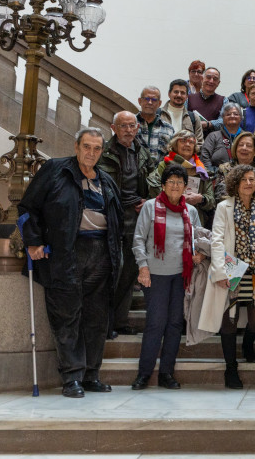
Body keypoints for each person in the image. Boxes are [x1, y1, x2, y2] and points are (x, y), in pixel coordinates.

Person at [18, 128, 124, 398]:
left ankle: (91, 375)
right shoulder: (56, 170)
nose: (91, 153)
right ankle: (71, 378)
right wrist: (33, 241)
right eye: (87, 147)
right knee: (67, 316)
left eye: (97, 148)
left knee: (96, 318)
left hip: (101, 253)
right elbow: (28, 207)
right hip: (67, 252)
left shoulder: (107, 181)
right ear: (76, 147)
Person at [131, 164, 204, 391]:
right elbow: (138, 239)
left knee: (174, 324)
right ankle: (144, 374)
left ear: (185, 187)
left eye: (179, 183)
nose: (175, 186)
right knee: (155, 323)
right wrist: (143, 267)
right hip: (155, 276)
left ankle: (166, 374)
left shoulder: (190, 212)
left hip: (181, 276)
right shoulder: (151, 207)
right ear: (162, 185)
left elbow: (200, 239)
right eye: (170, 182)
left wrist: (200, 253)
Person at [201, 165, 255, 389]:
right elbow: (217, 240)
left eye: (252, 179)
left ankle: (248, 345)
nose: (249, 183)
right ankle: (231, 369)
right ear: (235, 183)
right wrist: (220, 271)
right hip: (231, 268)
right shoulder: (224, 207)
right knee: (229, 322)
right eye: (244, 180)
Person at [98, 111, 154, 340]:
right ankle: (104, 322)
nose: (129, 130)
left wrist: (148, 200)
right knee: (114, 269)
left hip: (137, 215)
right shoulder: (104, 152)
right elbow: (101, 184)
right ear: (113, 127)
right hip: (113, 214)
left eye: (132, 125)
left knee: (131, 270)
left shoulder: (142, 152)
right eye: (124, 126)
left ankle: (120, 321)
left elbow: (153, 179)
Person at [148, 130, 216, 227]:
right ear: (175, 144)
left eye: (191, 142)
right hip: (166, 216)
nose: (187, 144)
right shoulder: (164, 165)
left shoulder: (201, 170)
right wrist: (176, 199)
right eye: (183, 141)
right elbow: (153, 189)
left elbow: (211, 201)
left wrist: (201, 199)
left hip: (193, 219)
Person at [213, 132, 255, 204]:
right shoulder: (224, 169)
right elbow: (220, 194)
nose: (244, 148)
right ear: (236, 149)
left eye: (248, 146)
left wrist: (253, 207)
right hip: (230, 209)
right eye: (241, 145)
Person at [162, 79, 204, 151]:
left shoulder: (193, 118)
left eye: (182, 93)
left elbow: (199, 143)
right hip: (162, 159)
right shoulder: (158, 114)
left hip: (185, 160)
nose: (179, 95)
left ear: (187, 96)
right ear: (169, 94)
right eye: (176, 92)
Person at [136, 86, 175, 162]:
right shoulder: (129, 124)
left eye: (154, 100)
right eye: (146, 99)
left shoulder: (168, 129)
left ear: (159, 103)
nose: (150, 102)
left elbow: (170, 155)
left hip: (159, 172)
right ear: (140, 101)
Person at [201, 102, 243, 170]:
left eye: (236, 114)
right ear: (223, 118)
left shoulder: (247, 137)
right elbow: (205, 158)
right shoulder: (213, 136)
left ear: (241, 118)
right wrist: (214, 174)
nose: (232, 116)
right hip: (217, 177)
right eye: (228, 114)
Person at [186, 64, 225, 128]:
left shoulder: (224, 100)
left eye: (215, 79)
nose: (211, 81)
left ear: (218, 83)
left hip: (214, 137)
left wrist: (208, 124)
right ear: (202, 79)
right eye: (208, 77)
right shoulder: (189, 98)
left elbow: (224, 121)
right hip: (191, 135)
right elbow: (183, 117)